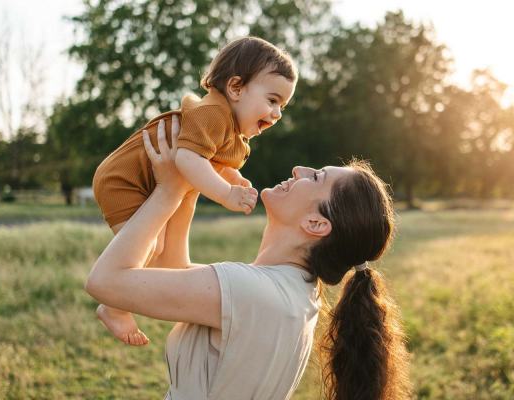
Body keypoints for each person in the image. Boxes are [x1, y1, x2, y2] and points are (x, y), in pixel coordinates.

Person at [85, 119, 412, 399]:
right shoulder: (290, 291)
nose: (299, 169)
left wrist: (167, 192)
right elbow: (169, 271)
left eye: (315, 177)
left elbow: (105, 283)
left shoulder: (253, 292)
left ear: (316, 224)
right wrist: (191, 180)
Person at [91, 36, 297, 345]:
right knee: (149, 245)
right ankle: (114, 306)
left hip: (144, 180)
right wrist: (226, 193)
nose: (277, 113)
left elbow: (209, 159)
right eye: (272, 100)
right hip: (125, 179)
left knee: (158, 248)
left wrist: (232, 177)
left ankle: (116, 302)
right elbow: (187, 158)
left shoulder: (229, 128)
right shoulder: (213, 114)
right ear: (236, 88)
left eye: (282, 105)